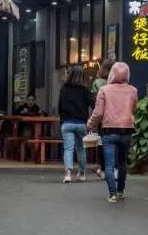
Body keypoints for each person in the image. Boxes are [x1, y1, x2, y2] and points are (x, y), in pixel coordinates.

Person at [86, 61, 137, 202]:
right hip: (127, 130)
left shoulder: (104, 90)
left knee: (109, 164)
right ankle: (120, 191)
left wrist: (91, 124)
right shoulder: (133, 90)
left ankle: (112, 194)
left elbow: (98, 113)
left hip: (108, 131)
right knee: (122, 164)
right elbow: (134, 108)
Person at [58, 65, 92, 183]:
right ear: (82, 76)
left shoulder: (64, 88)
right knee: (81, 149)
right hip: (81, 123)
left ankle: (68, 174)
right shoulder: (85, 89)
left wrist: (62, 119)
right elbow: (93, 104)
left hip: (67, 123)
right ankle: (82, 174)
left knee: (68, 149)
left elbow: (60, 107)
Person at [89, 59, 115, 180]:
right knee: (115, 142)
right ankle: (114, 168)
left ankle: (104, 168)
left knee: (102, 142)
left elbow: (94, 101)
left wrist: (92, 120)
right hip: (116, 117)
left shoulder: (97, 83)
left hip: (102, 117)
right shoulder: (118, 82)